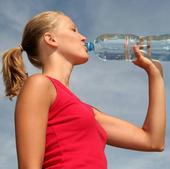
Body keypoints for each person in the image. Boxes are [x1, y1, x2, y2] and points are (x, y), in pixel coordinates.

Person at [1, 11, 166, 169]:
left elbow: (153, 141)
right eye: (73, 30)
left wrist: (155, 74)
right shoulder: (39, 85)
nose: (83, 37)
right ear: (51, 39)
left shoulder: (88, 113)